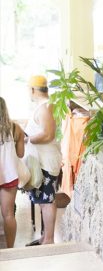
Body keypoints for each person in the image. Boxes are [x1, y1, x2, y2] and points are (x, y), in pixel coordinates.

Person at [24, 75, 62, 246]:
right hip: (43, 162)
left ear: (33, 90)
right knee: (42, 201)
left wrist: (28, 139)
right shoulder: (44, 106)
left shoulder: (45, 107)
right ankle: (45, 237)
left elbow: (48, 134)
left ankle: (49, 240)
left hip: (47, 162)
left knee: (47, 202)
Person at [0, 96, 25, 248]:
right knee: (9, 214)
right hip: (9, 175)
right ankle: (10, 250)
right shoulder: (16, 128)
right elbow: (21, 154)